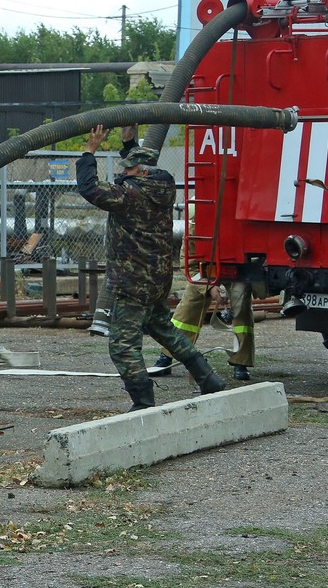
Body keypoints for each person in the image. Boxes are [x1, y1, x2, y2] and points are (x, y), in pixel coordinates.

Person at [75, 125, 225, 411]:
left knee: (123, 346)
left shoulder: (129, 196)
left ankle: (143, 402)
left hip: (132, 283)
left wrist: (89, 150)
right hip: (156, 280)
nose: (123, 174)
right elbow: (137, 164)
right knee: (163, 329)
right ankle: (208, 379)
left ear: (141, 173)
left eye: (128, 171)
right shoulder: (164, 185)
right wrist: (129, 141)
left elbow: (89, 188)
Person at [154, 280, 256, 380]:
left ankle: (241, 361)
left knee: (242, 309)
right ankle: (167, 355)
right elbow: (190, 267)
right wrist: (209, 287)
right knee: (188, 308)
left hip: (238, 271)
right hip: (205, 273)